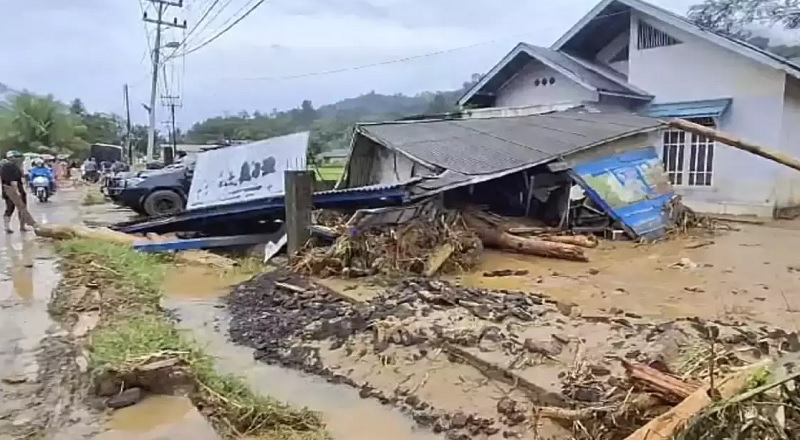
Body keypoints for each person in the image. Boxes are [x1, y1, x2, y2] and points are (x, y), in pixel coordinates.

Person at [1, 150, 29, 233]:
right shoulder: (8, 167)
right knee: (12, 208)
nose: (18, 159)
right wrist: (17, 192)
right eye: (16, 157)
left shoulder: (15, 166)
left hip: (14, 190)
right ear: (11, 158)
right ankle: (9, 227)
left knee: (18, 208)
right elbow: (13, 181)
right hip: (12, 190)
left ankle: (21, 226)